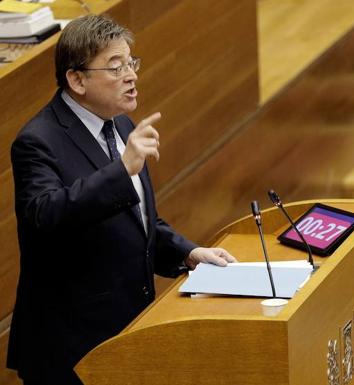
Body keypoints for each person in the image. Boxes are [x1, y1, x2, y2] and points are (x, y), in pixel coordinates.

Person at [7, 14, 236, 385]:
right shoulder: (38, 142)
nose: (131, 75)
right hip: (71, 350)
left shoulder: (121, 125)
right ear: (76, 79)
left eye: (132, 63)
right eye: (116, 67)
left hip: (127, 333)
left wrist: (187, 253)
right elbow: (46, 216)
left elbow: (138, 221)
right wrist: (122, 169)